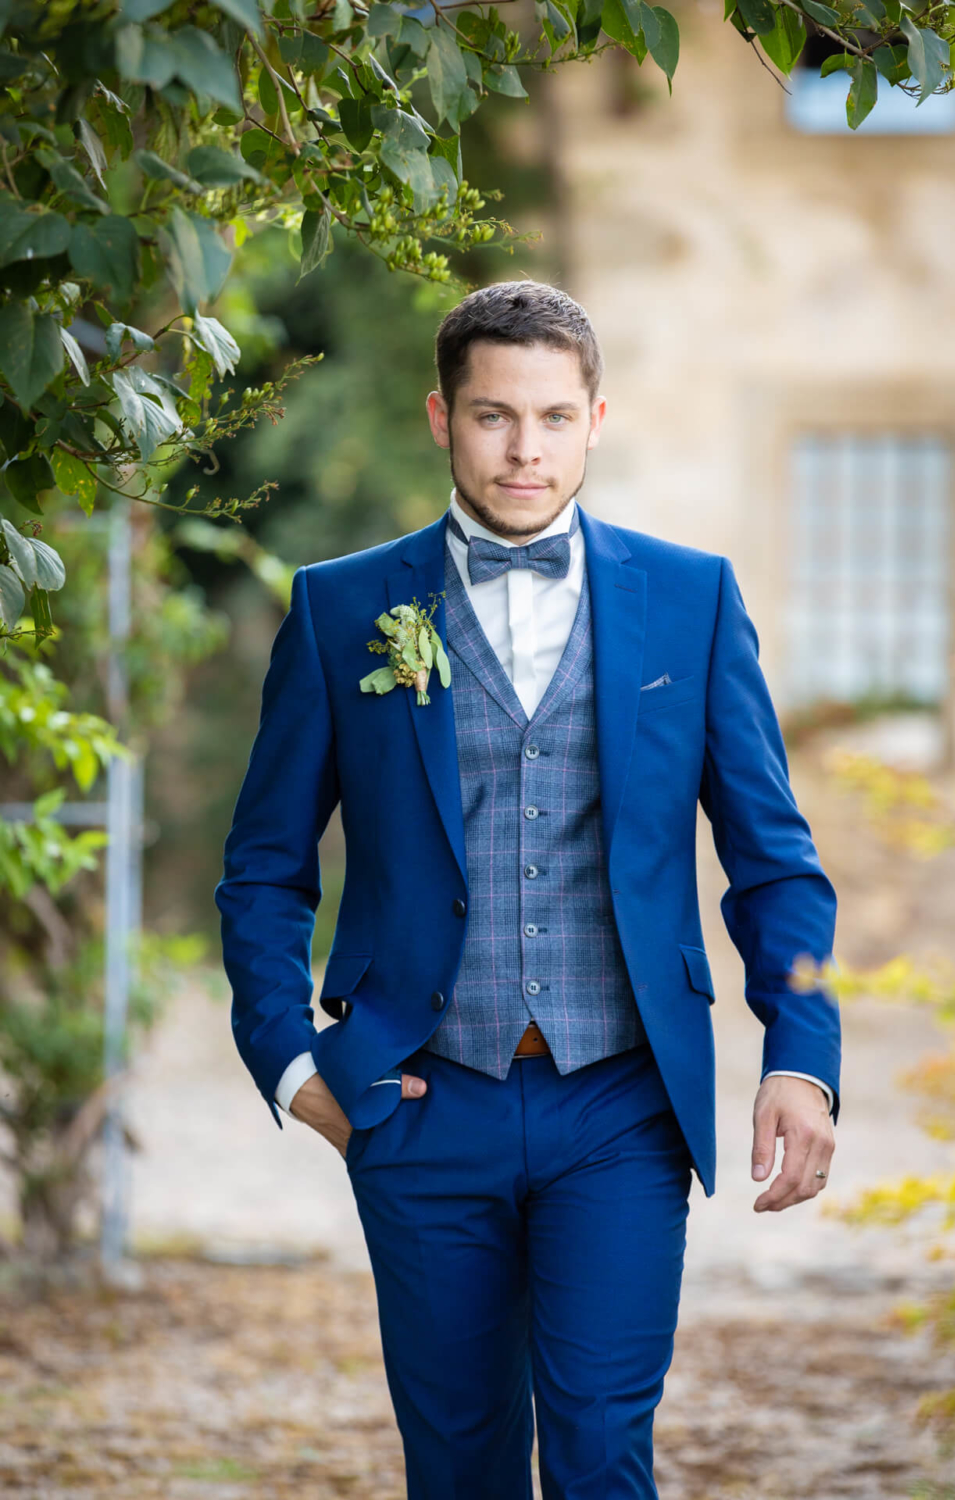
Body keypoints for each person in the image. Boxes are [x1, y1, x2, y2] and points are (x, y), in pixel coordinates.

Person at [215, 279, 840, 1500]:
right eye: (494, 416)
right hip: (420, 1100)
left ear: (596, 419)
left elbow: (775, 857)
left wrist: (799, 1055)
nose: (524, 449)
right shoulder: (344, 608)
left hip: (620, 1104)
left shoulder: (691, 600)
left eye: (553, 418)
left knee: (604, 1448)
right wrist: (294, 1067)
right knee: (458, 1462)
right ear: (440, 418)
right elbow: (265, 869)